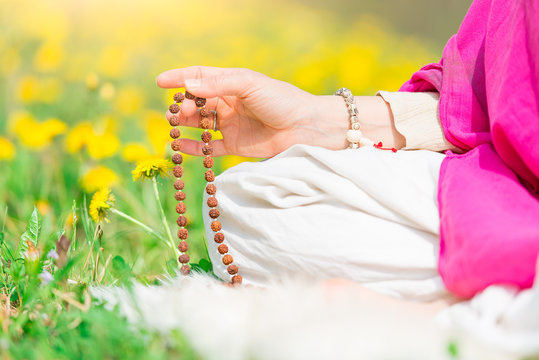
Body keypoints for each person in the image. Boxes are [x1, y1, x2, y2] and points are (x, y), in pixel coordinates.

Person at [156, 0, 539, 302]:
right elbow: (488, 96)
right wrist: (313, 119)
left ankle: (495, 312)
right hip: (508, 182)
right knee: (247, 202)